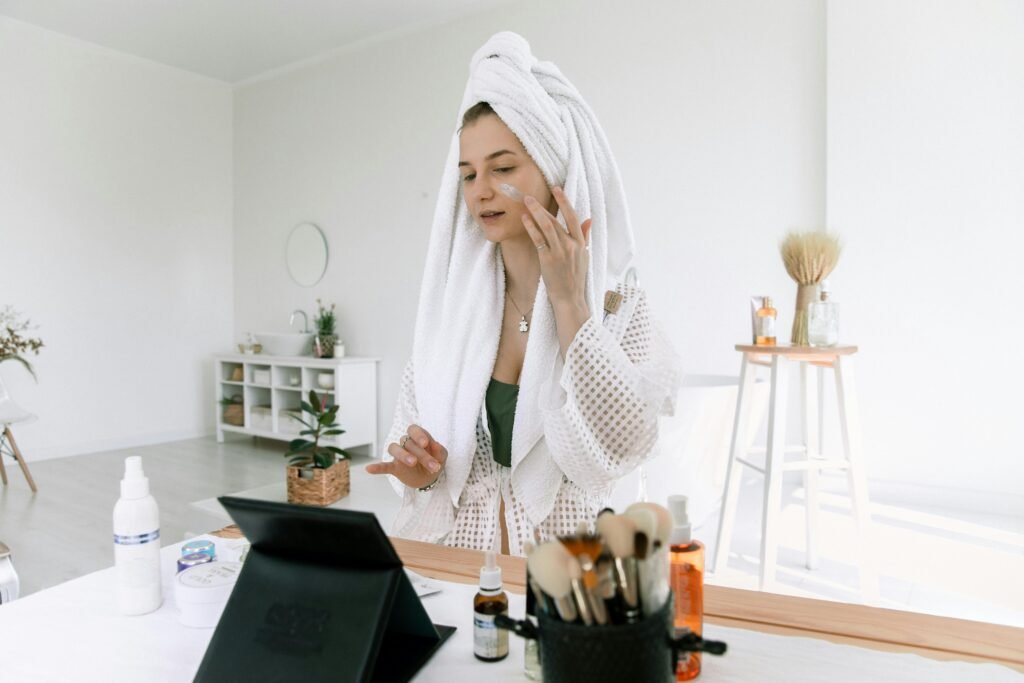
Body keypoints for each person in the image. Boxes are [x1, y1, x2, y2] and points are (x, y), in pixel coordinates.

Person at [366, 32, 679, 555]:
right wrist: (416, 469)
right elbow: (413, 461)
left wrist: (570, 305)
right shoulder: (451, 308)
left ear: (553, 171)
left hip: (565, 574)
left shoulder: (616, 304)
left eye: (503, 168)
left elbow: (623, 446)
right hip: (456, 565)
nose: (481, 190)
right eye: (467, 175)